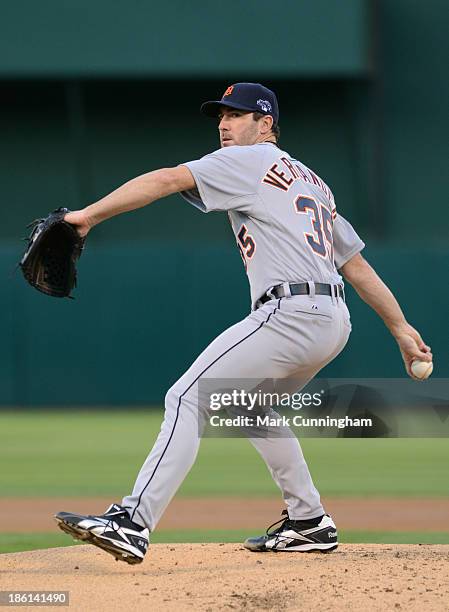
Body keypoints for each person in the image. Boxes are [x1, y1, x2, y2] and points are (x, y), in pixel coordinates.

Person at [55, 83, 432, 564]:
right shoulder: (313, 181)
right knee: (247, 408)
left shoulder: (250, 161)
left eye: (236, 115)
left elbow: (167, 179)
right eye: (221, 115)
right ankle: (309, 521)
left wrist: (86, 216)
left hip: (290, 314)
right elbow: (354, 266)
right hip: (333, 320)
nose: (224, 123)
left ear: (266, 124)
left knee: (186, 397)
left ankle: (132, 521)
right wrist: (399, 327)